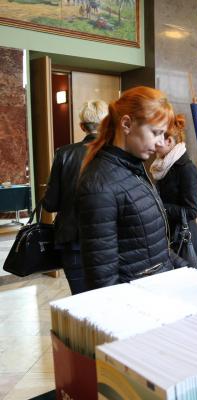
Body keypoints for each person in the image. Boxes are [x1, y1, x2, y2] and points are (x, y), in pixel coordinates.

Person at [77, 86, 185, 290]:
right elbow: (103, 280)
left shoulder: (135, 167)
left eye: (163, 134)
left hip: (156, 289)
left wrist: (185, 269)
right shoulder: (100, 185)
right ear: (127, 124)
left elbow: (151, 245)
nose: (161, 142)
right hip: (136, 302)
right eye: (156, 133)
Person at [43, 100, 108, 294]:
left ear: (82, 126)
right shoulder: (117, 153)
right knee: (109, 300)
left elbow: (51, 204)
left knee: (81, 299)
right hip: (108, 239)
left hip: (72, 240)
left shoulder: (64, 154)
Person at [151, 113, 197, 270]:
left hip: (182, 238)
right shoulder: (162, 166)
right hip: (167, 235)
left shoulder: (186, 168)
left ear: (169, 141)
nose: (153, 145)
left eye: (157, 140)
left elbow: (192, 211)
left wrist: (161, 208)